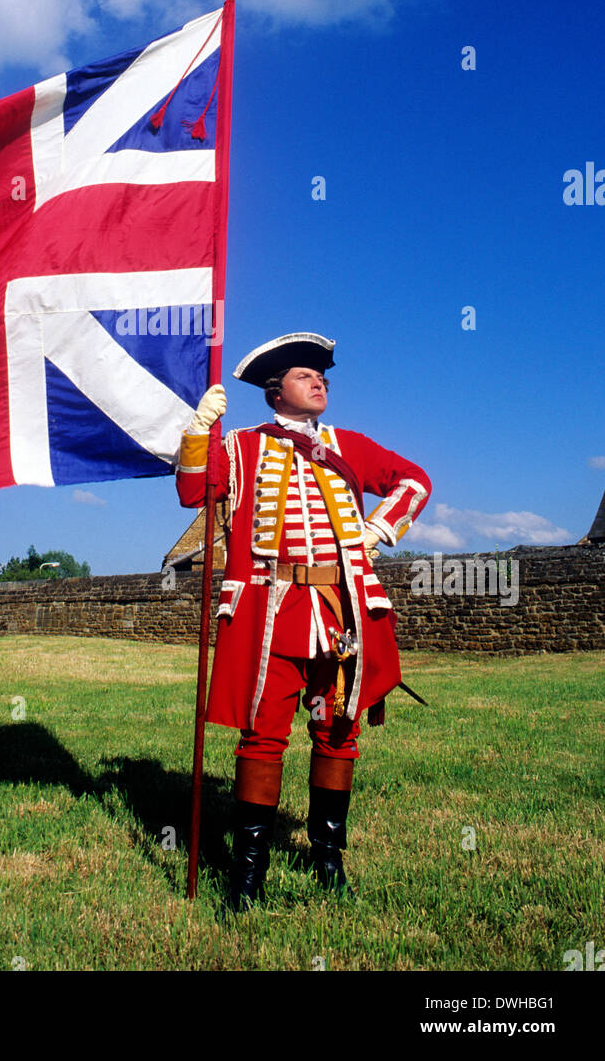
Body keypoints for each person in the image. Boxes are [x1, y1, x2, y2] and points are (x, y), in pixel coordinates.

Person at [176, 332, 431, 908]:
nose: (320, 382)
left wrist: (379, 528)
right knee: (262, 737)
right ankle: (247, 875)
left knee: (337, 731)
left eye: (323, 376)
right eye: (304, 376)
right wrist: (197, 431)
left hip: (340, 615)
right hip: (269, 613)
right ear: (275, 390)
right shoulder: (240, 447)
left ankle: (327, 857)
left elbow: (414, 480)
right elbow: (194, 490)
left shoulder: (349, 445)